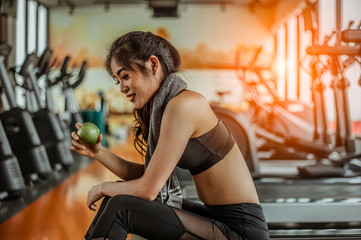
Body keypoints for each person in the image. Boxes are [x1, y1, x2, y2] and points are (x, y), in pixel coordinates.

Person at [70, 31, 269, 240]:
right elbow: (150, 178)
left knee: (121, 205)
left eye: (125, 76)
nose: (122, 88)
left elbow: (148, 189)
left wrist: (103, 186)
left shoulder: (184, 105)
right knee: (117, 196)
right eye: (117, 80)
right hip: (216, 219)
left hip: (242, 231)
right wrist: (99, 153)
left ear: (153, 65)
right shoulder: (166, 107)